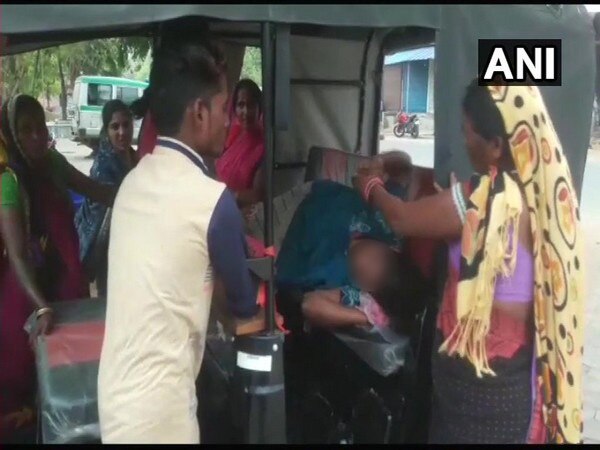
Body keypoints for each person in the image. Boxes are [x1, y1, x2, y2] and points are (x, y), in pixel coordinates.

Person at [353, 81, 584, 444]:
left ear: (495, 145)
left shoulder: (481, 199)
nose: (463, 141)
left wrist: (370, 185)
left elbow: (399, 218)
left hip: (471, 391)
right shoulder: (545, 199)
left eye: (467, 132)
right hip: (513, 387)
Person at [97, 38, 262, 444]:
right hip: (161, 417)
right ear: (200, 112)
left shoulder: (132, 183)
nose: (229, 121)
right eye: (225, 109)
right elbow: (243, 313)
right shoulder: (212, 201)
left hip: (116, 399)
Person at [0, 94, 116, 442]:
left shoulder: (52, 163)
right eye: (26, 130)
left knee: (68, 373)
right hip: (25, 293)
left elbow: (96, 190)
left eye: (41, 128)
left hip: (63, 277)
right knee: (24, 376)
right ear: (11, 135)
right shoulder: (9, 181)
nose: (37, 136)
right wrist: (41, 305)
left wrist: (141, 190)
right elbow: (19, 255)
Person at [276, 175, 427, 332]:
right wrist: (375, 175)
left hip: (276, 235)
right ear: (393, 249)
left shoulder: (353, 293)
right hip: (308, 190)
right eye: (382, 260)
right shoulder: (389, 226)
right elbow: (403, 168)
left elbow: (310, 305)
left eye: (378, 279)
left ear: (371, 291)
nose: (371, 264)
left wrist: (369, 317)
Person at [74, 100, 139, 297]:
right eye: (114, 127)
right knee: (110, 298)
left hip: (130, 244)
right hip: (106, 246)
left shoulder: (133, 156)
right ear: (106, 130)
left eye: (126, 125)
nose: (122, 132)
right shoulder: (103, 167)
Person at [215, 79, 265, 209]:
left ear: (260, 107)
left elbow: (258, 195)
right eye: (241, 105)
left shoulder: (264, 146)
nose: (246, 111)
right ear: (234, 108)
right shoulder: (234, 136)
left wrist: (228, 196)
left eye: (251, 105)